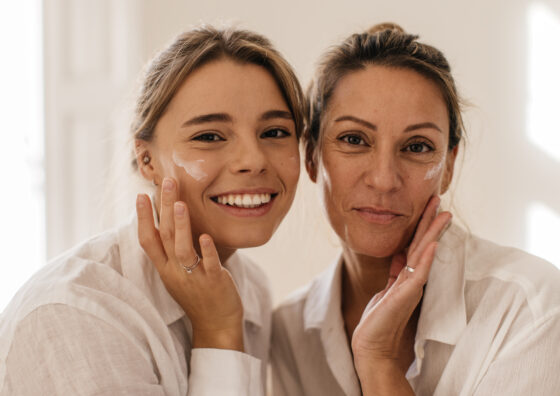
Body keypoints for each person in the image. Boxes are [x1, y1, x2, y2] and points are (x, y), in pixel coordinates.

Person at [0, 26, 305, 395]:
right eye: (209, 136)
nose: (253, 161)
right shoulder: (71, 314)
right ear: (146, 159)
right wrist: (219, 332)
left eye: (274, 132)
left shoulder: (249, 287)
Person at [270, 23, 560, 395]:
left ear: (449, 166)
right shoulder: (289, 333)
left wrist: (377, 361)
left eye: (417, 146)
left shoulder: (529, 309)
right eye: (354, 140)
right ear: (311, 156)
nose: (384, 179)